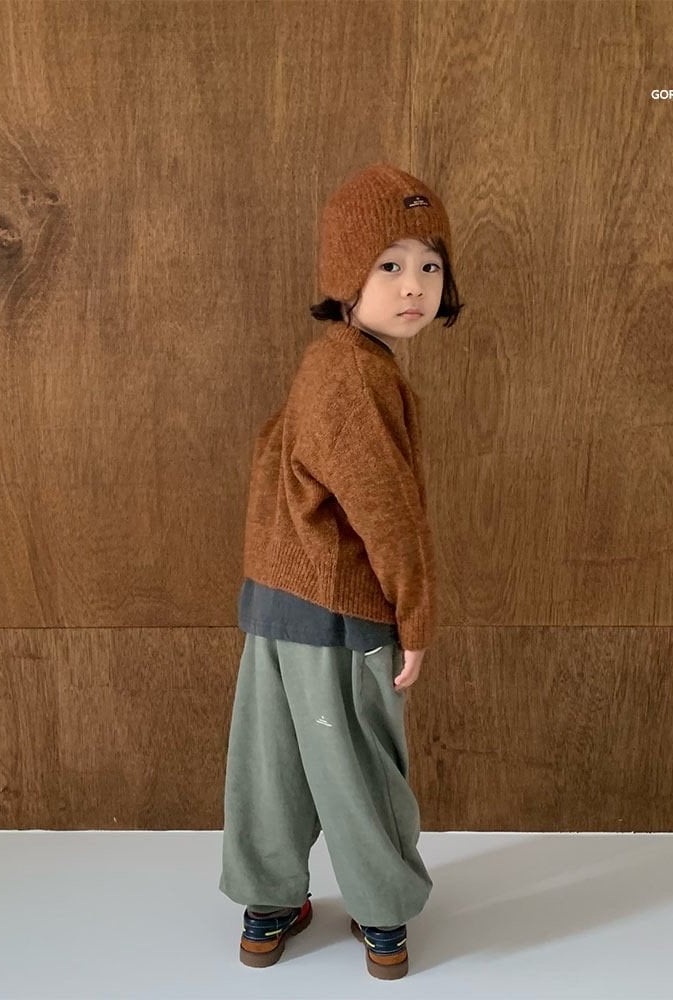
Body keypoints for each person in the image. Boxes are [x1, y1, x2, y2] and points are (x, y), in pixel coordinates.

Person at [218, 162, 464, 980]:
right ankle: (383, 913)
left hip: (276, 601)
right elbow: (387, 512)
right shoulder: (358, 376)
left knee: (272, 764)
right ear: (344, 276)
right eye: (388, 264)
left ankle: (267, 908)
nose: (414, 285)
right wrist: (415, 616)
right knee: (358, 765)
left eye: (430, 264)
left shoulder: (329, 363)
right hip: (337, 610)